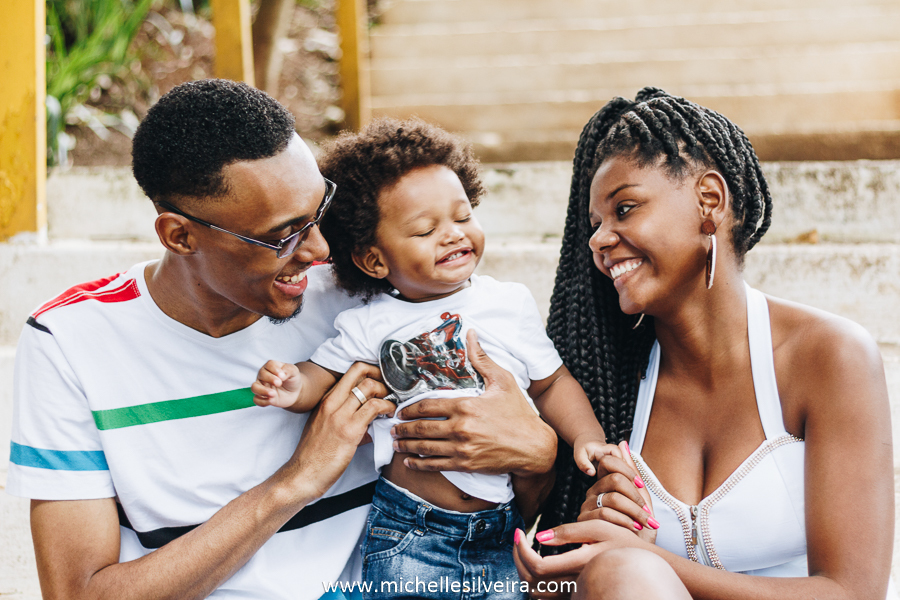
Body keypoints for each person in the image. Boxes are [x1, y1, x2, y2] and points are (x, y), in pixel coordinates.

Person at [6, 79, 557, 600]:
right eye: (283, 234)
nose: (319, 249)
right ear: (180, 235)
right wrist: (294, 483)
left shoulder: (373, 293)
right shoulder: (70, 340)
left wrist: (540, 452)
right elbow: (82, 593)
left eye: (320, 211)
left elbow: (492, 485)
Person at [511, 87, 894, 599]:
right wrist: (580, 560)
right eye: (595, 224)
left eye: (624, 209)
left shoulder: (827, 356)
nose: (598, 240)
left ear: (708, 200)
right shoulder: (606, 386)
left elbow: (852, 592)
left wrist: (647, 558)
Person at [251, 119, 612, 599]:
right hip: (408, 529)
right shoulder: (370, 322)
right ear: (375, 260)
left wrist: (587, 436)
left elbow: (551, 382)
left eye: (463, 218)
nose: (452, 235)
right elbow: (322, 375)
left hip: (499, 527)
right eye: (425, 230)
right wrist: (291, 385)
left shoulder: (508, 303)